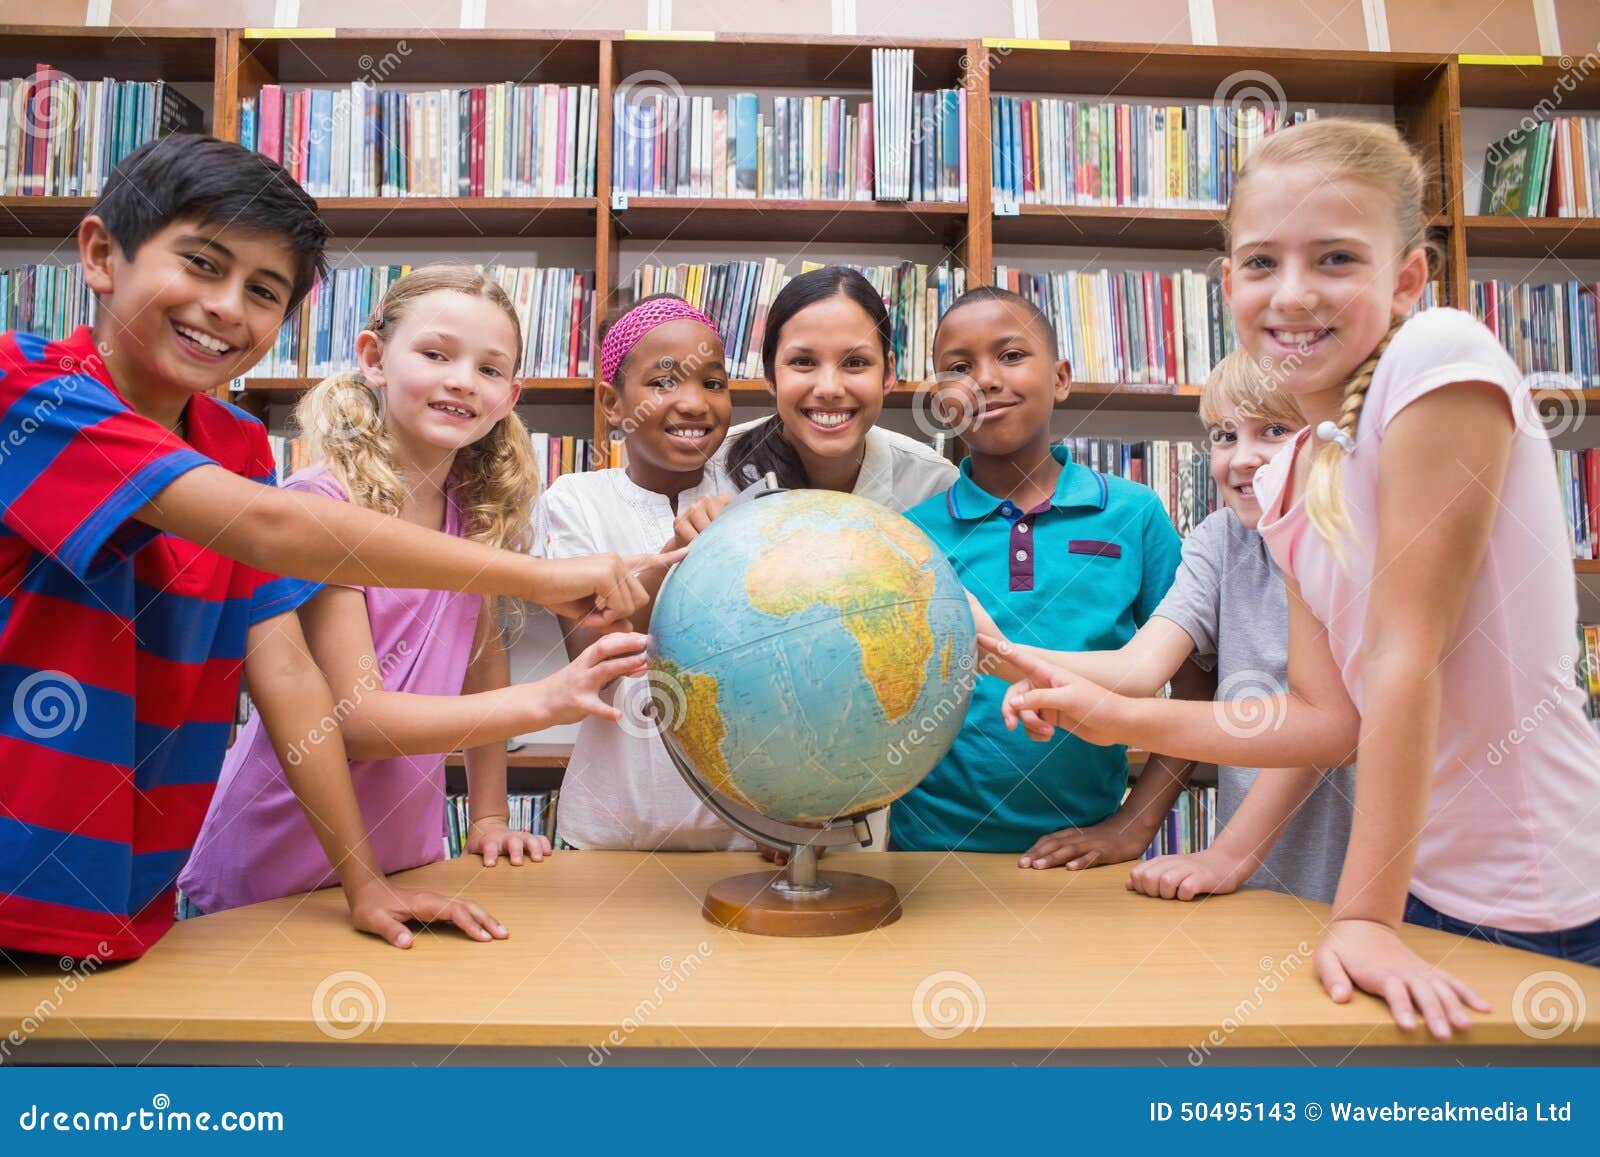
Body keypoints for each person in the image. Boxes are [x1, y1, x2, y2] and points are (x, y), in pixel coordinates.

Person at [987, 118, 1600, 1038]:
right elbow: (1325, 720)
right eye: (1262, 262)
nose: (1295, 293)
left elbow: (1404, 654)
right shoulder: (1293, 474)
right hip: (1414, 889)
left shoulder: (1438, 354)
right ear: (1227, 280)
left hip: (1538, 901)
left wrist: (1360, 915)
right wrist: (1115, 714)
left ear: (1407, 277)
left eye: (1338, 259)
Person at [0, 135, 669, 961]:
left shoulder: (236, 443)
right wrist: (540, 585)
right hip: (21, 878)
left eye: (263, 291)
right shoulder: (27, 390)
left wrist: (363, 881)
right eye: (202, 265)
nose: (226, 308)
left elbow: (286, 678)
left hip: (137, 890)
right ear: (102, 255)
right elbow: (279, 531)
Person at [179, 267, 654, 945]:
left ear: (509, 395)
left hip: (402, 862)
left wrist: (488, 812)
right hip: (274, 865)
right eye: (436, 354)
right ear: (373, 358)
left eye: (490, 369)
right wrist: (548, 699)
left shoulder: (475, 511)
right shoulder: (322, 507)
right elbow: (357, 719)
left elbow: (481, 658)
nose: (462, 379)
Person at [892, 286, 1197, 858]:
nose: (983, 379)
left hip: (1085, 858)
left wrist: (1133, 825)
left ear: (1059, 377)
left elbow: (1197, 681)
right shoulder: (910, 536)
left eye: (1010, 356)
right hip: (928, 857)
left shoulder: (1135, 515)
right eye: (959, 367)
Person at [534, 294, 751, 851]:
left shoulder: (752, 503)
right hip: (606, 833)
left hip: (742, 838)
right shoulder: (573, 500)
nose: (694, 403)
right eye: (662, 382)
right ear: (612, 402)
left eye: (713, 382)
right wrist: (676, 551)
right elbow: (597, 658)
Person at [717, 265, 956, 512]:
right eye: (803, 362)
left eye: (855, 363)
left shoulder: (935, 486)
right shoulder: (712, 472)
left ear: (888, 373)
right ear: (769, 374)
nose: (829, 389)